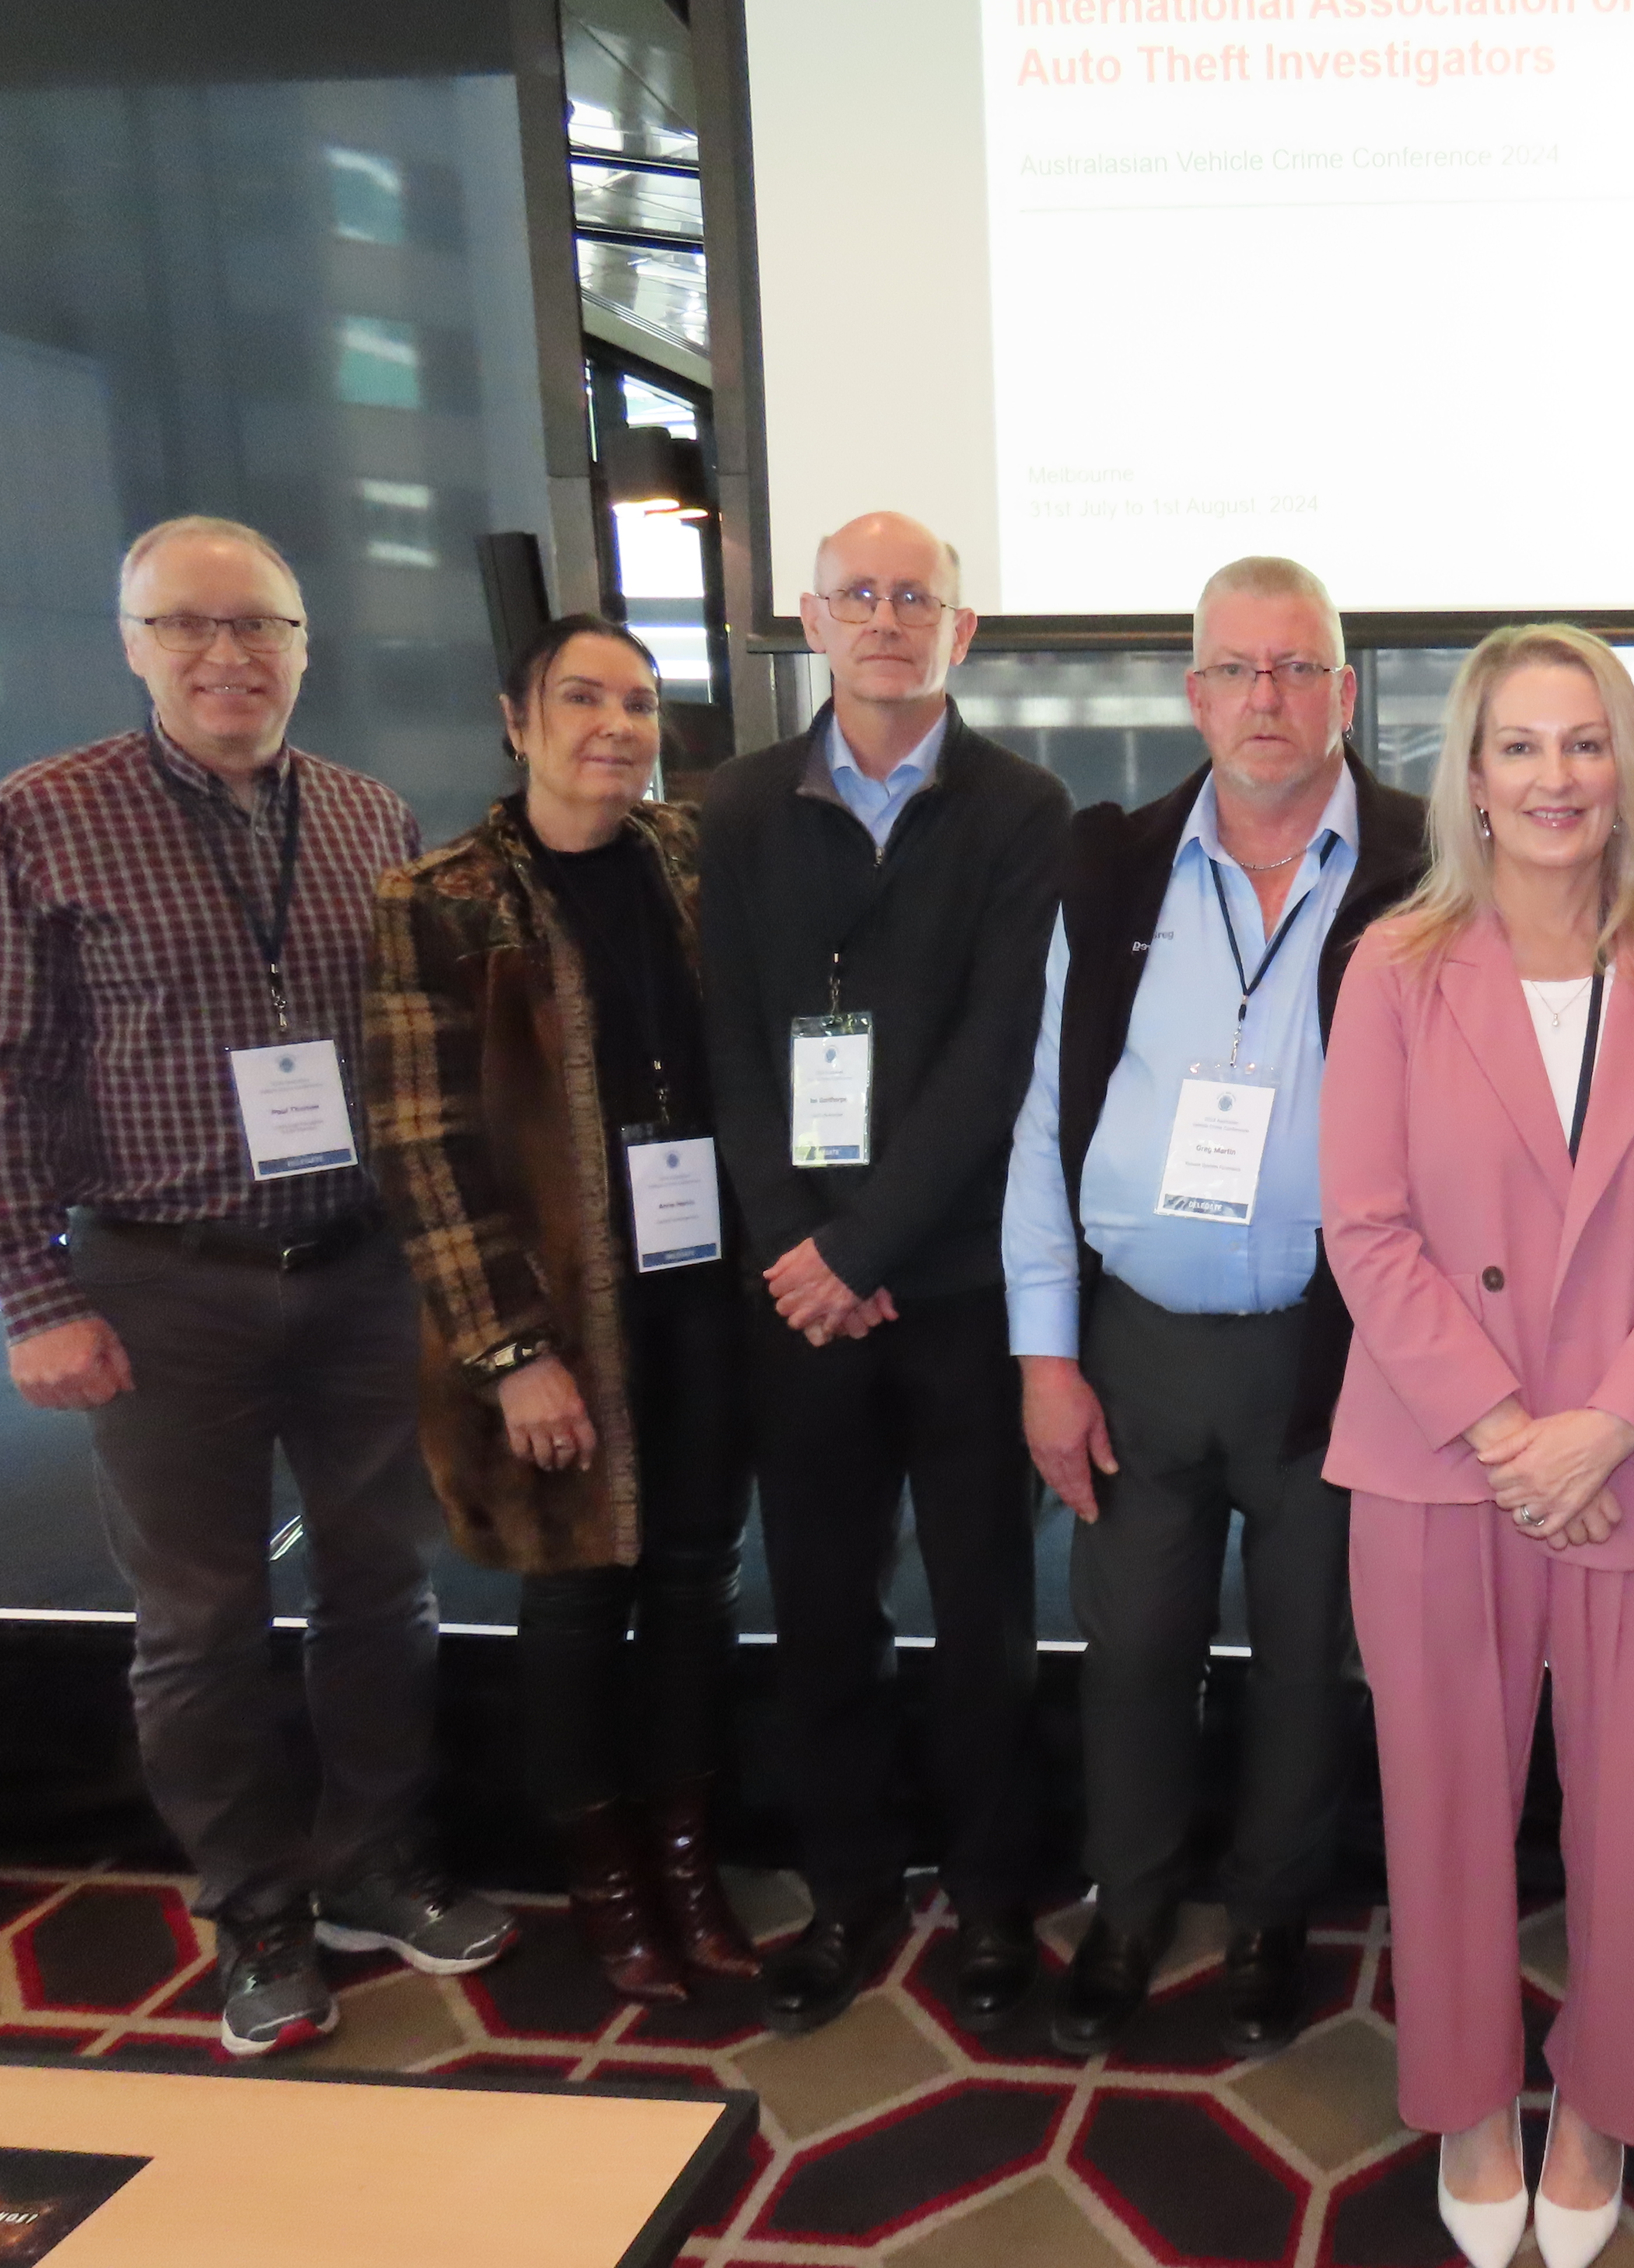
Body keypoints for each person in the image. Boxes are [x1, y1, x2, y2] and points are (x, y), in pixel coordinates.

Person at [0, 516, 513, 2057]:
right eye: (189, 627)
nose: (228, 656)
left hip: (357, 1272)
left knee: (382, 1587)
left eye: (260, 627)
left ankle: (373, 1869)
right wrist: (34, 1296)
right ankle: (257, 1914)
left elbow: (412, 1061)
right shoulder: (38, 819)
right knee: (198, 1618)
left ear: (302, 644)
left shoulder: (365, 816)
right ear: (134, 643)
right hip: (160, 1286)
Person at [1320, 624, 1634, 2268]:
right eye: (1522, 747)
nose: (1558, 778)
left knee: (1633, 1817)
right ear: (1476, 780)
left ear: (1626, 771)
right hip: (1445, 1462)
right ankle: (1464, 2091)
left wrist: (1604, 1428)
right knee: (1442, 1803)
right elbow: (1363, 1227)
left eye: (1588, 745)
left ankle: (1600, 2101)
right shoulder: (1396, 967)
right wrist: (1513, 1431)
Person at [1003, 558, 1426, 2058]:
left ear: (1345, 695)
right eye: (1239, 671)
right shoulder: (1110, 865)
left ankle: (1267, 1918)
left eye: (1300, 669)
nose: (1268, 699)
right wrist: (1045, 1354)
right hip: (1139, 1345)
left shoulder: (1425, 868)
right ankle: (1129, 1906)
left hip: (1335, 1351)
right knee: (1130, 1653)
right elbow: (1045, 1114)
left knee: (1311, 1656)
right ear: (1194, 695)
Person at [701, 513, 1070, 2038]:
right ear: (811, 619)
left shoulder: (1023, 808)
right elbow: (729, 1045)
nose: (888, 617)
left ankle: (993, 1894)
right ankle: (850, 1884)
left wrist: (864, 1249)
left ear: (960, 629)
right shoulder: (728, 809)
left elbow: (997, 1062)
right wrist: (805, 1253)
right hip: (799, 1292)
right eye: (860, 594)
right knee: (823, 1603)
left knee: (985, 1603)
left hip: (960, 1284)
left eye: (917, 595)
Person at [366, 615, 754, 2003]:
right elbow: (422, 1149)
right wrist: (514, 1355)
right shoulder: (443, 900)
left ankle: (693, 1860)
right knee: (581, 1601)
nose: (617, 727)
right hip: (555, 1320)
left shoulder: (695, 859)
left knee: (698, 1592)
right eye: (583, 699)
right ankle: (610, 1885)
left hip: (701, 1297)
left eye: (641, 704)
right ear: (517, 721)